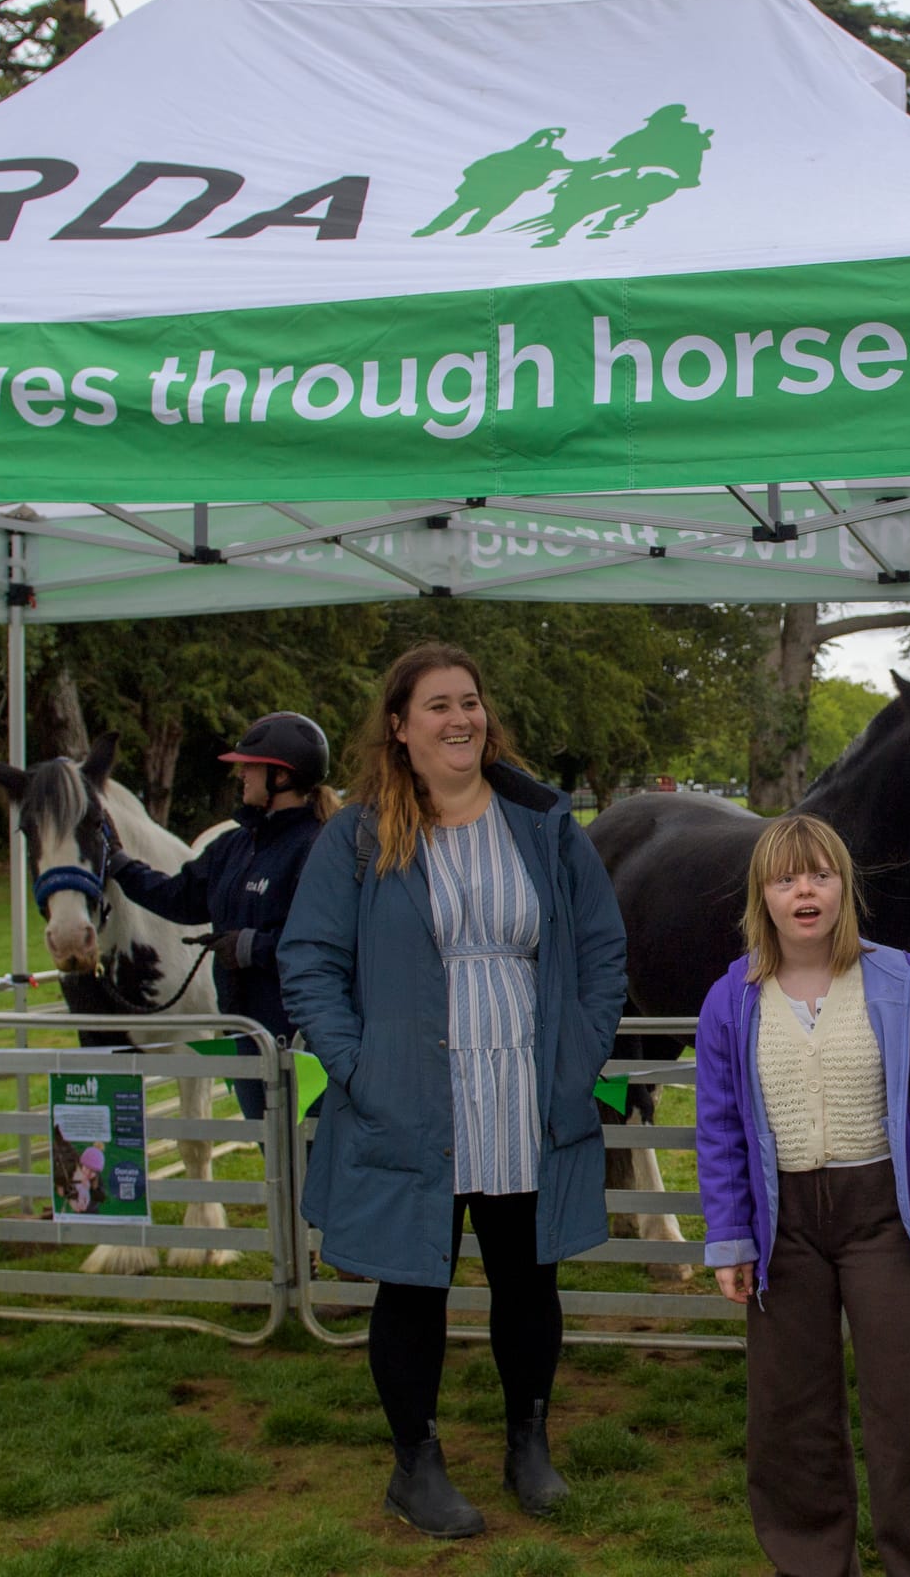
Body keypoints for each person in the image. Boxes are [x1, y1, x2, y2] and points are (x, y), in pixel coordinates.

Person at [278, 642, 627, 1539]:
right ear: (398, 728)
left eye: (468, 702)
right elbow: (308, 960)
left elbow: (600, 949)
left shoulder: (544, 827)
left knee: (526, 1276)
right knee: (412, 1283)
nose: (458, 719)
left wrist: (576, 1060)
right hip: (409, 1094)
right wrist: (356, 1064)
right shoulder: (358, 836)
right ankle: (416, 1464)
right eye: (436, 706)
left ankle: (529, 1443)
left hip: (523, 1088)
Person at [694, 812, 910, 1577]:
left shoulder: (897, 980)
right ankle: (812, 1561)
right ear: (763, 895)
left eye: (819, 874)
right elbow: (721, 1130)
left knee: (908, 1417)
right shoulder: (731, 1000)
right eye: (785, 877)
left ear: (842, 887)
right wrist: (729, 1238)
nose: (804, 890)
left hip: (882, 1221)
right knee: (791, 1416)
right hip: (779, 1227)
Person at [103, 712, 339, 1122]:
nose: (241, 774)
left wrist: (249, 947)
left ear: (281, 777)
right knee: (277, 1167)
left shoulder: (319, 846)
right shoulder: (234, 847)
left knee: (311, 1161)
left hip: (305, 1042)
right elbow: (179, 897)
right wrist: (121, 864)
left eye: (250, 766)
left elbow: (327, 942)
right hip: (247, 1035)